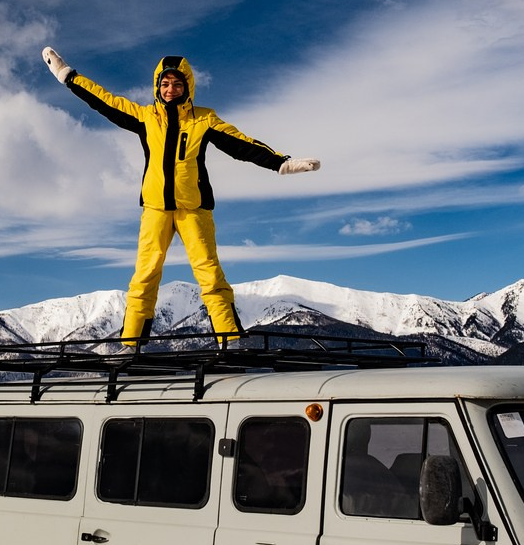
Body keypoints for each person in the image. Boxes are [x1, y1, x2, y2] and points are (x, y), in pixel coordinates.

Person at [43, 47, 320, 345]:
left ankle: (230, 342)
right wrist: (68, 76)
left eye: (176, 84)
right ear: (157, 87)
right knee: (144, 277)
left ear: (187, 86)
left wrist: (280, 162)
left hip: (194, 209)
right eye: (164, 84)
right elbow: (103, 100)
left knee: (210, 276)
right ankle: (131, 347)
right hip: (155, 210)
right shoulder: (145, 117)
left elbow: (241, 144)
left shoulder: (204, 120)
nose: (170, 89)